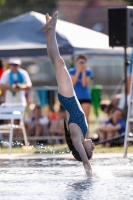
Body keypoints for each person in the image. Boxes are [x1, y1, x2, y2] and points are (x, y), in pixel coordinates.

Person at [41, 11, 94, 176]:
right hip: (69, 96)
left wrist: (90, 172)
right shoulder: (82, 133)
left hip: (67, 96)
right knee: (57, 62)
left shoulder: (76, 136)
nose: (93, 147)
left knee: (59, 62)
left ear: (83, 149)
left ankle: (51, 30)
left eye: (91, 150)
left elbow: (84, 160)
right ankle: (49, 32)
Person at [69, 55, 93, 138]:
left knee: (86, 118)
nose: (81, 64)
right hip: (75, 97)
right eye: (80, 62)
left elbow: (84, 84)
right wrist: (78, 70)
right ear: (76, 62)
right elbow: (73, 83)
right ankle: (76, 138)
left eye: (83, 62)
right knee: (75, 119)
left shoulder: (88, 72)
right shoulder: (71, 71)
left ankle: (86, 138)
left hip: (85, 97)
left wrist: (83, 71)